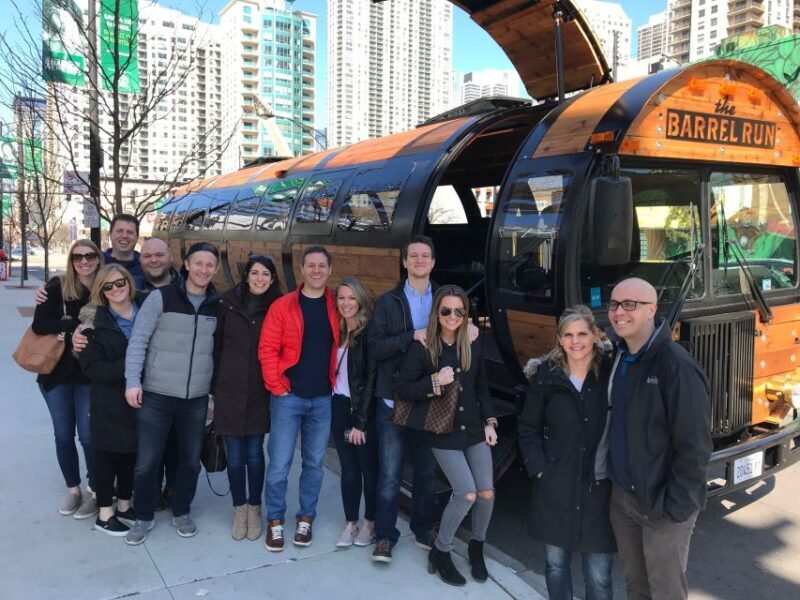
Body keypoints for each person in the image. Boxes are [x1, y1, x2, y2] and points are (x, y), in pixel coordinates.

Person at [606, 278, 712, 599]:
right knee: (636, 587)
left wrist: (675, 509)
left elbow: (694, 447)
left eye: (630, 305)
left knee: (665, 592)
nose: (619, 312)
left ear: (652, 309)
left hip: (662, 506)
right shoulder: (619, 358)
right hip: (623, 500)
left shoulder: (676, 366)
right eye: (614, 304)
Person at [395, 285, 497, 586]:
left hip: (474, 428)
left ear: (466, 314)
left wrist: (490, 422)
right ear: (437, 313)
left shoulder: (473, 342)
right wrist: (434, 381)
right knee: (465, 493)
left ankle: (477, 546)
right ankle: (441, 551)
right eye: (446, 311)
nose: (453, 316)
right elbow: (403, 388)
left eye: (459, 311)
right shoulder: (424, 346)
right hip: (442, 431)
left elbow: (481, 387)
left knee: (486, 494)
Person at [123, 242, 221, 545]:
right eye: (199, 263)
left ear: (215, 269)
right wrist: (132, 381)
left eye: (210, 265)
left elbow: (219, 352)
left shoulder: (217, 305)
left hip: (196, 398)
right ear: (187, 265)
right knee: (147, 460)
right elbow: (138, 340)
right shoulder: (160, 298)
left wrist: (213, 397)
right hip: (157, 393)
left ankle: (182, 510)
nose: (204, 269)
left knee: (190, 460)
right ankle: (143, 515)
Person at [518, 305, 616, 600]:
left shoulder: (610, 374)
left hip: (598, 489)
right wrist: (539, 469)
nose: (576, 342)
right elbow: (528, 427)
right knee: (556, 566)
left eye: (583, 334)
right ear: (559, 339)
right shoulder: (547, 377)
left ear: (596, 336)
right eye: (569, 335)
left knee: (599, 576)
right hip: (555, 487)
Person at [258, 245, 340, 552]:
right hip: (288, 398)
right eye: (311, 265)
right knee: (279, 463)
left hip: (322, 398)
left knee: (314, 464)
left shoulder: (336, 304)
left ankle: (306, 517)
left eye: (322, 265)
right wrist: (277, 387)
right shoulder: (284, 306)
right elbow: (267, 349)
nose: (317, 270)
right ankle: (275, 521)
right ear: (302, 270)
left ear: (330, 270)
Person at [368, 235, 440, 563]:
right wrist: (411, 336)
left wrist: (472, 330)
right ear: (405, 262)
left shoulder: (445, 299)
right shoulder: (388, 302)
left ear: (433, 262)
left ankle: (425, 529)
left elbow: (460, 335)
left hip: (428, 398)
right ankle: (384, 535)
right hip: (393, 399)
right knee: (390, 474)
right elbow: (376, 346)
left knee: (426, 471)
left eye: (425, 256)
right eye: (414, 256)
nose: (420, 261)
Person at [31, 239, 103, 519]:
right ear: (71, 261)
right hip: (56, 374)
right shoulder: (56, 287)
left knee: (88, 436)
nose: (84, 261)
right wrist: (70, 327)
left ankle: (96, 491)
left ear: (98, 258)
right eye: (77, 257)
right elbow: (39, 324)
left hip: (88, 375)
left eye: (89, 256)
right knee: (63, 435)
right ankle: (74, 489)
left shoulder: (105, 287)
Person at [213, 255, 281, 541]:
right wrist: (212, 389)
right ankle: (239, 508)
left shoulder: (277, 308)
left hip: (258, 392)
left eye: (266, 274)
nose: (260, 279)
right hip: (228, 390)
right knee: (235, 455)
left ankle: (255, 507)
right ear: (246, 275)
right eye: (255, 273)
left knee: (255, 454)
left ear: (273, 278)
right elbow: (215, 348)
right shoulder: (227, 304)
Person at [77, 265, 145, 536]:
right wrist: (132, 362)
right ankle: (105, 514)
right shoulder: (94, 323)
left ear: (129, 282)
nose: (116, 289)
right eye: (108, 286)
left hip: (141, 398)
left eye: (120, 283)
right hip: (109, 399)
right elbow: (93, 369)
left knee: (131, 454)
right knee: (107, 457)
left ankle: (125, 506)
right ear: (101, 292)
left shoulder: (146, 309)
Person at [331, 277, 379, 548]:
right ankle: (351, 523)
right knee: (349, 469)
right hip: (338, 406)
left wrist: (361, 422)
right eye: (341, 298)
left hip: (362, 411)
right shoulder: (337, 331)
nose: (346, 303)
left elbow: (371, 379)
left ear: (360, 300)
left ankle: (370, 522)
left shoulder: (368, 333)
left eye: (351, 298)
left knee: (368, 469)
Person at [104, 213, 144, 282]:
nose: (124, 236)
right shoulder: (98, 264)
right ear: (110, 234)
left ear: (137, 237)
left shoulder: (146, 266)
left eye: (130, 232)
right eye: (119, 231)